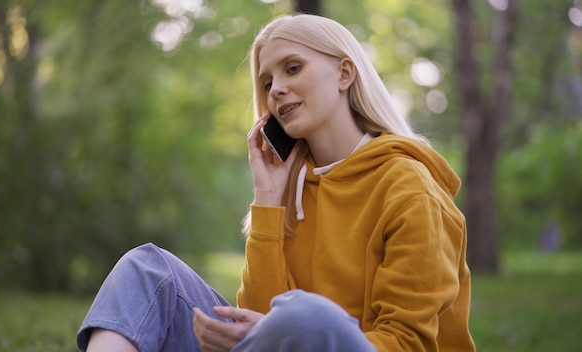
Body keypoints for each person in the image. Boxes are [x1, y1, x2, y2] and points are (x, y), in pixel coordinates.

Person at [77, 13, 475, 352]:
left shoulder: (409, 187)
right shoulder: (289, 186)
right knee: (147, 268)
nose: (276, 89)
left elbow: (409, 343)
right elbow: (257, 321)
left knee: (306, 314)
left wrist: (293, 329)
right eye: (267, 83)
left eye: (293, 68)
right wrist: (268, 199)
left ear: (344, 73)